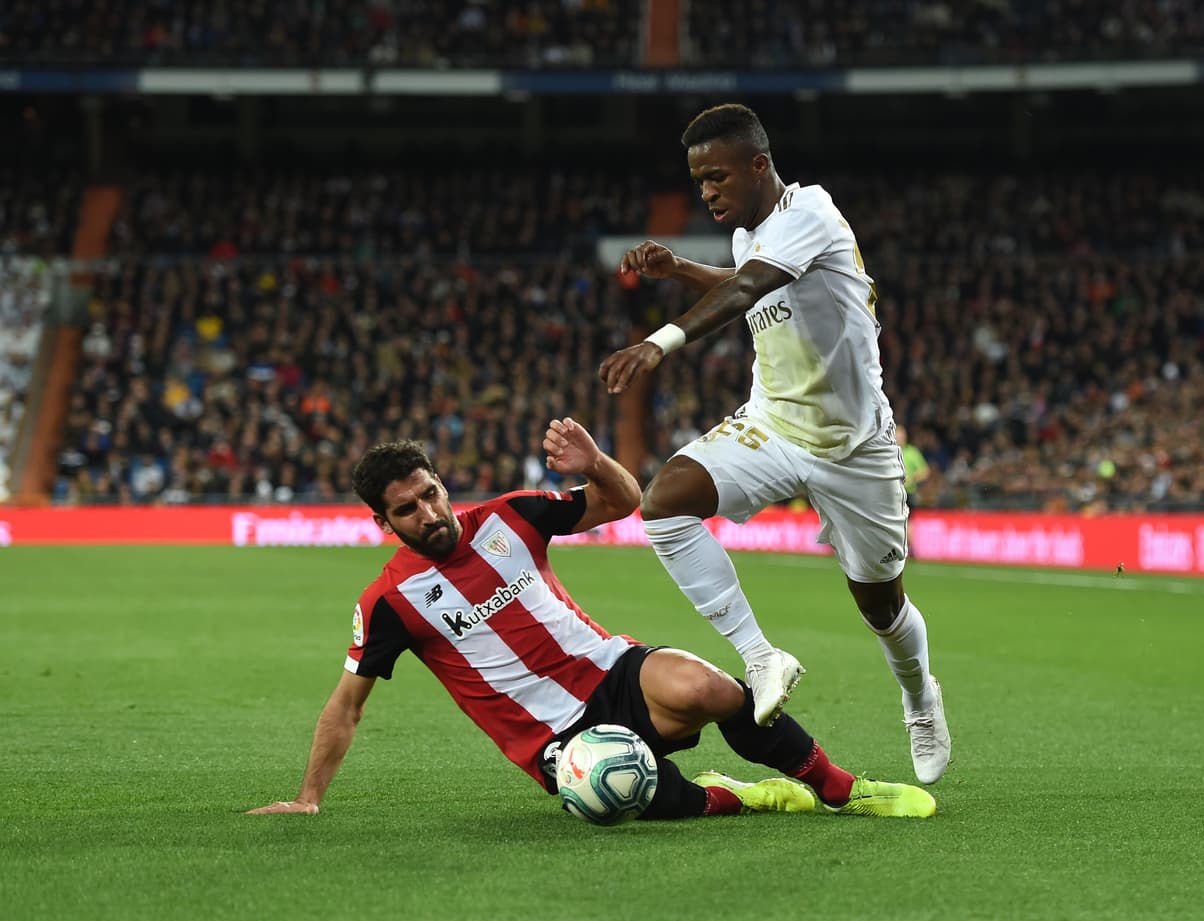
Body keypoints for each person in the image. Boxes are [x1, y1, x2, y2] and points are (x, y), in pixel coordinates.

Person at [248, 417, 936, 820]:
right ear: (383, 520)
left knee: (721, 691)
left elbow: (625, 501)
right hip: (555, 739)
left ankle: (843, 788)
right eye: (407, 508)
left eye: (430, 493)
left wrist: (596, 461)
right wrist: (309, 796)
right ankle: (739, 796)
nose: (428, 513)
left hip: (613, 669)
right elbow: (347, 705)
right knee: (651, 801)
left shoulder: (510, 516)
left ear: (440, 480)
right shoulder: (391, 601)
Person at [598, 103, 951, 784]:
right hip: (773, 424)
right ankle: (760, 656)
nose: (708, 191)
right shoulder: (749, 236)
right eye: (699, 181)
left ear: (759, 164)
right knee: (665, 501)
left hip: (854, 444)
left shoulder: (811, 211)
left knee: (882, 606)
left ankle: (918, 695)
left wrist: (658, 340)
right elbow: (745, 281)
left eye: (717, 176)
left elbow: (758, 284)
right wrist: (679, 268)